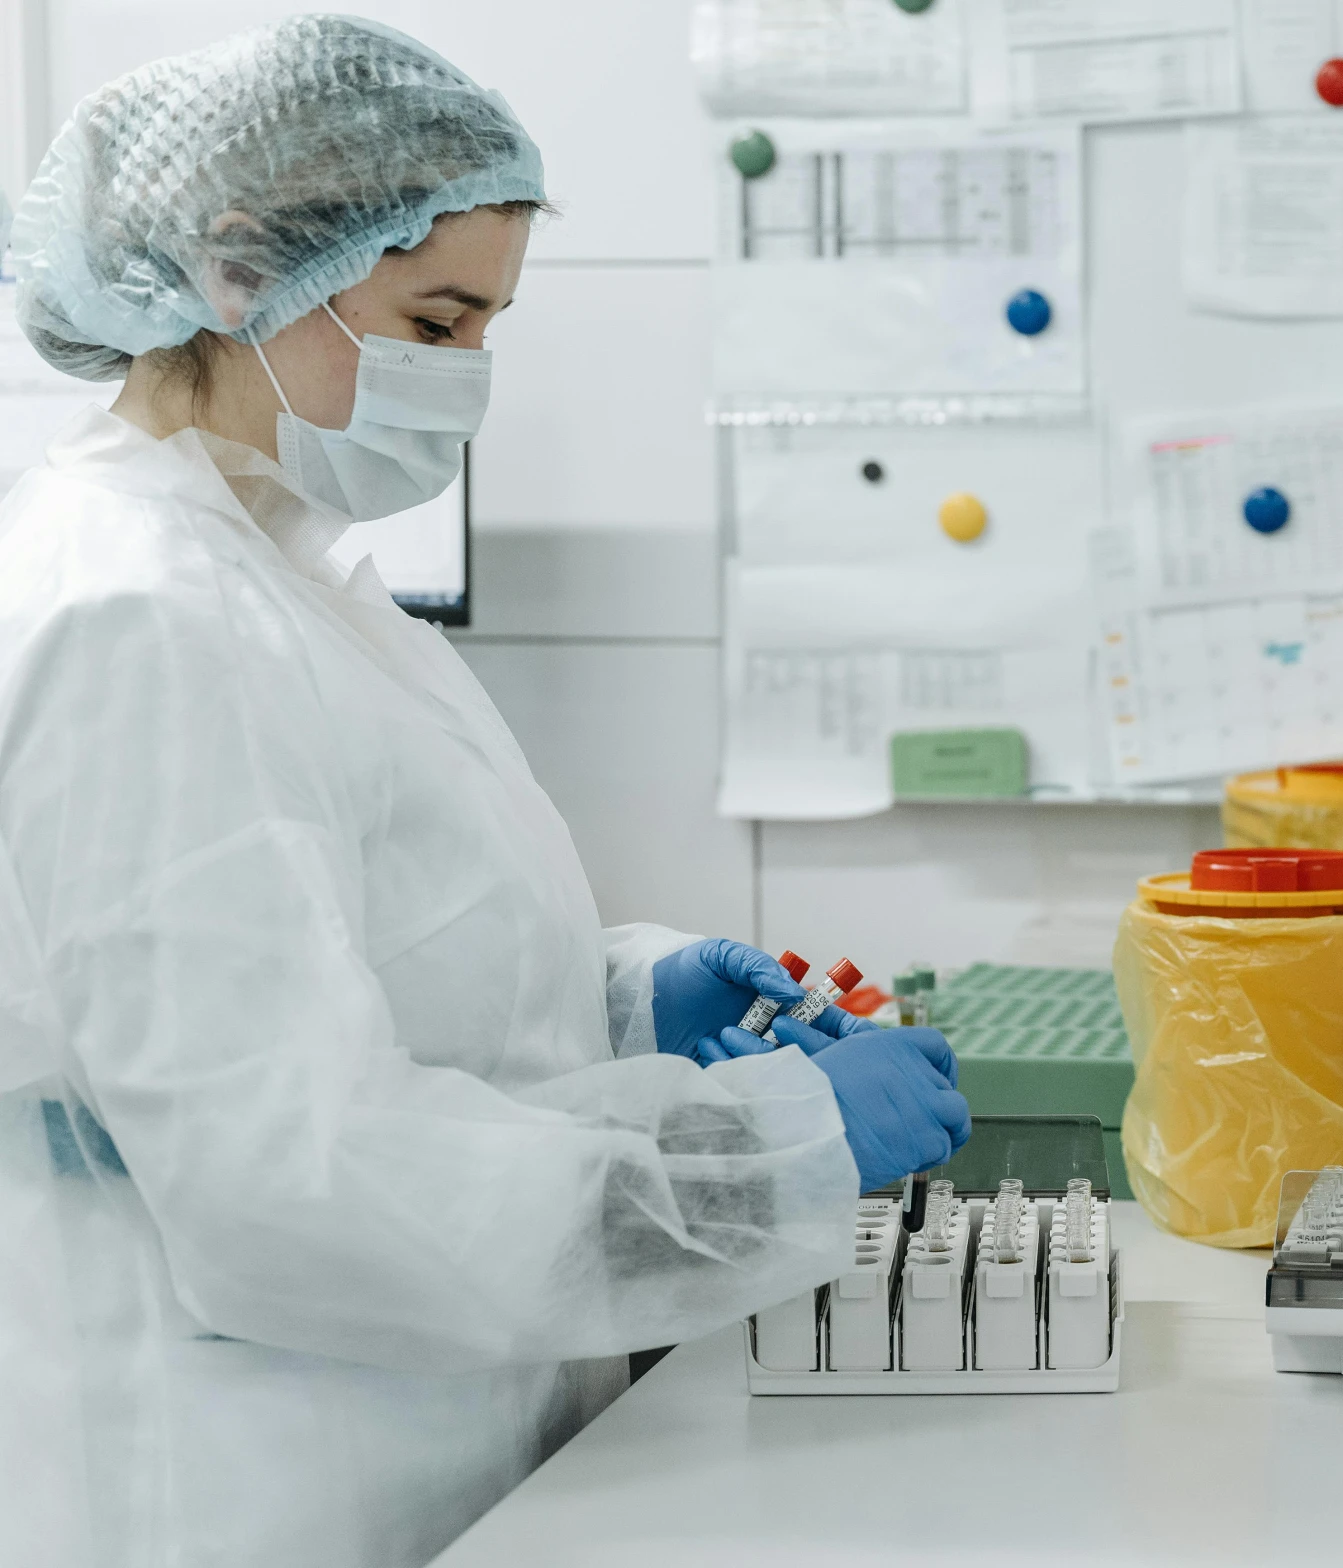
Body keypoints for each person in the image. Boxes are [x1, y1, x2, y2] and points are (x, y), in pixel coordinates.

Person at [0, 18, 968, 1568]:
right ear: (242, 270)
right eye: (434, 322)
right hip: (252, 1491)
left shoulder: (287, 579)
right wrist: (770, 1152)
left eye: (486, 329)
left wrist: (630, 1000)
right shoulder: (142, 616)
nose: (465, 381)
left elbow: (352, 965)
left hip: (410, 1449)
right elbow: (286, 1178)